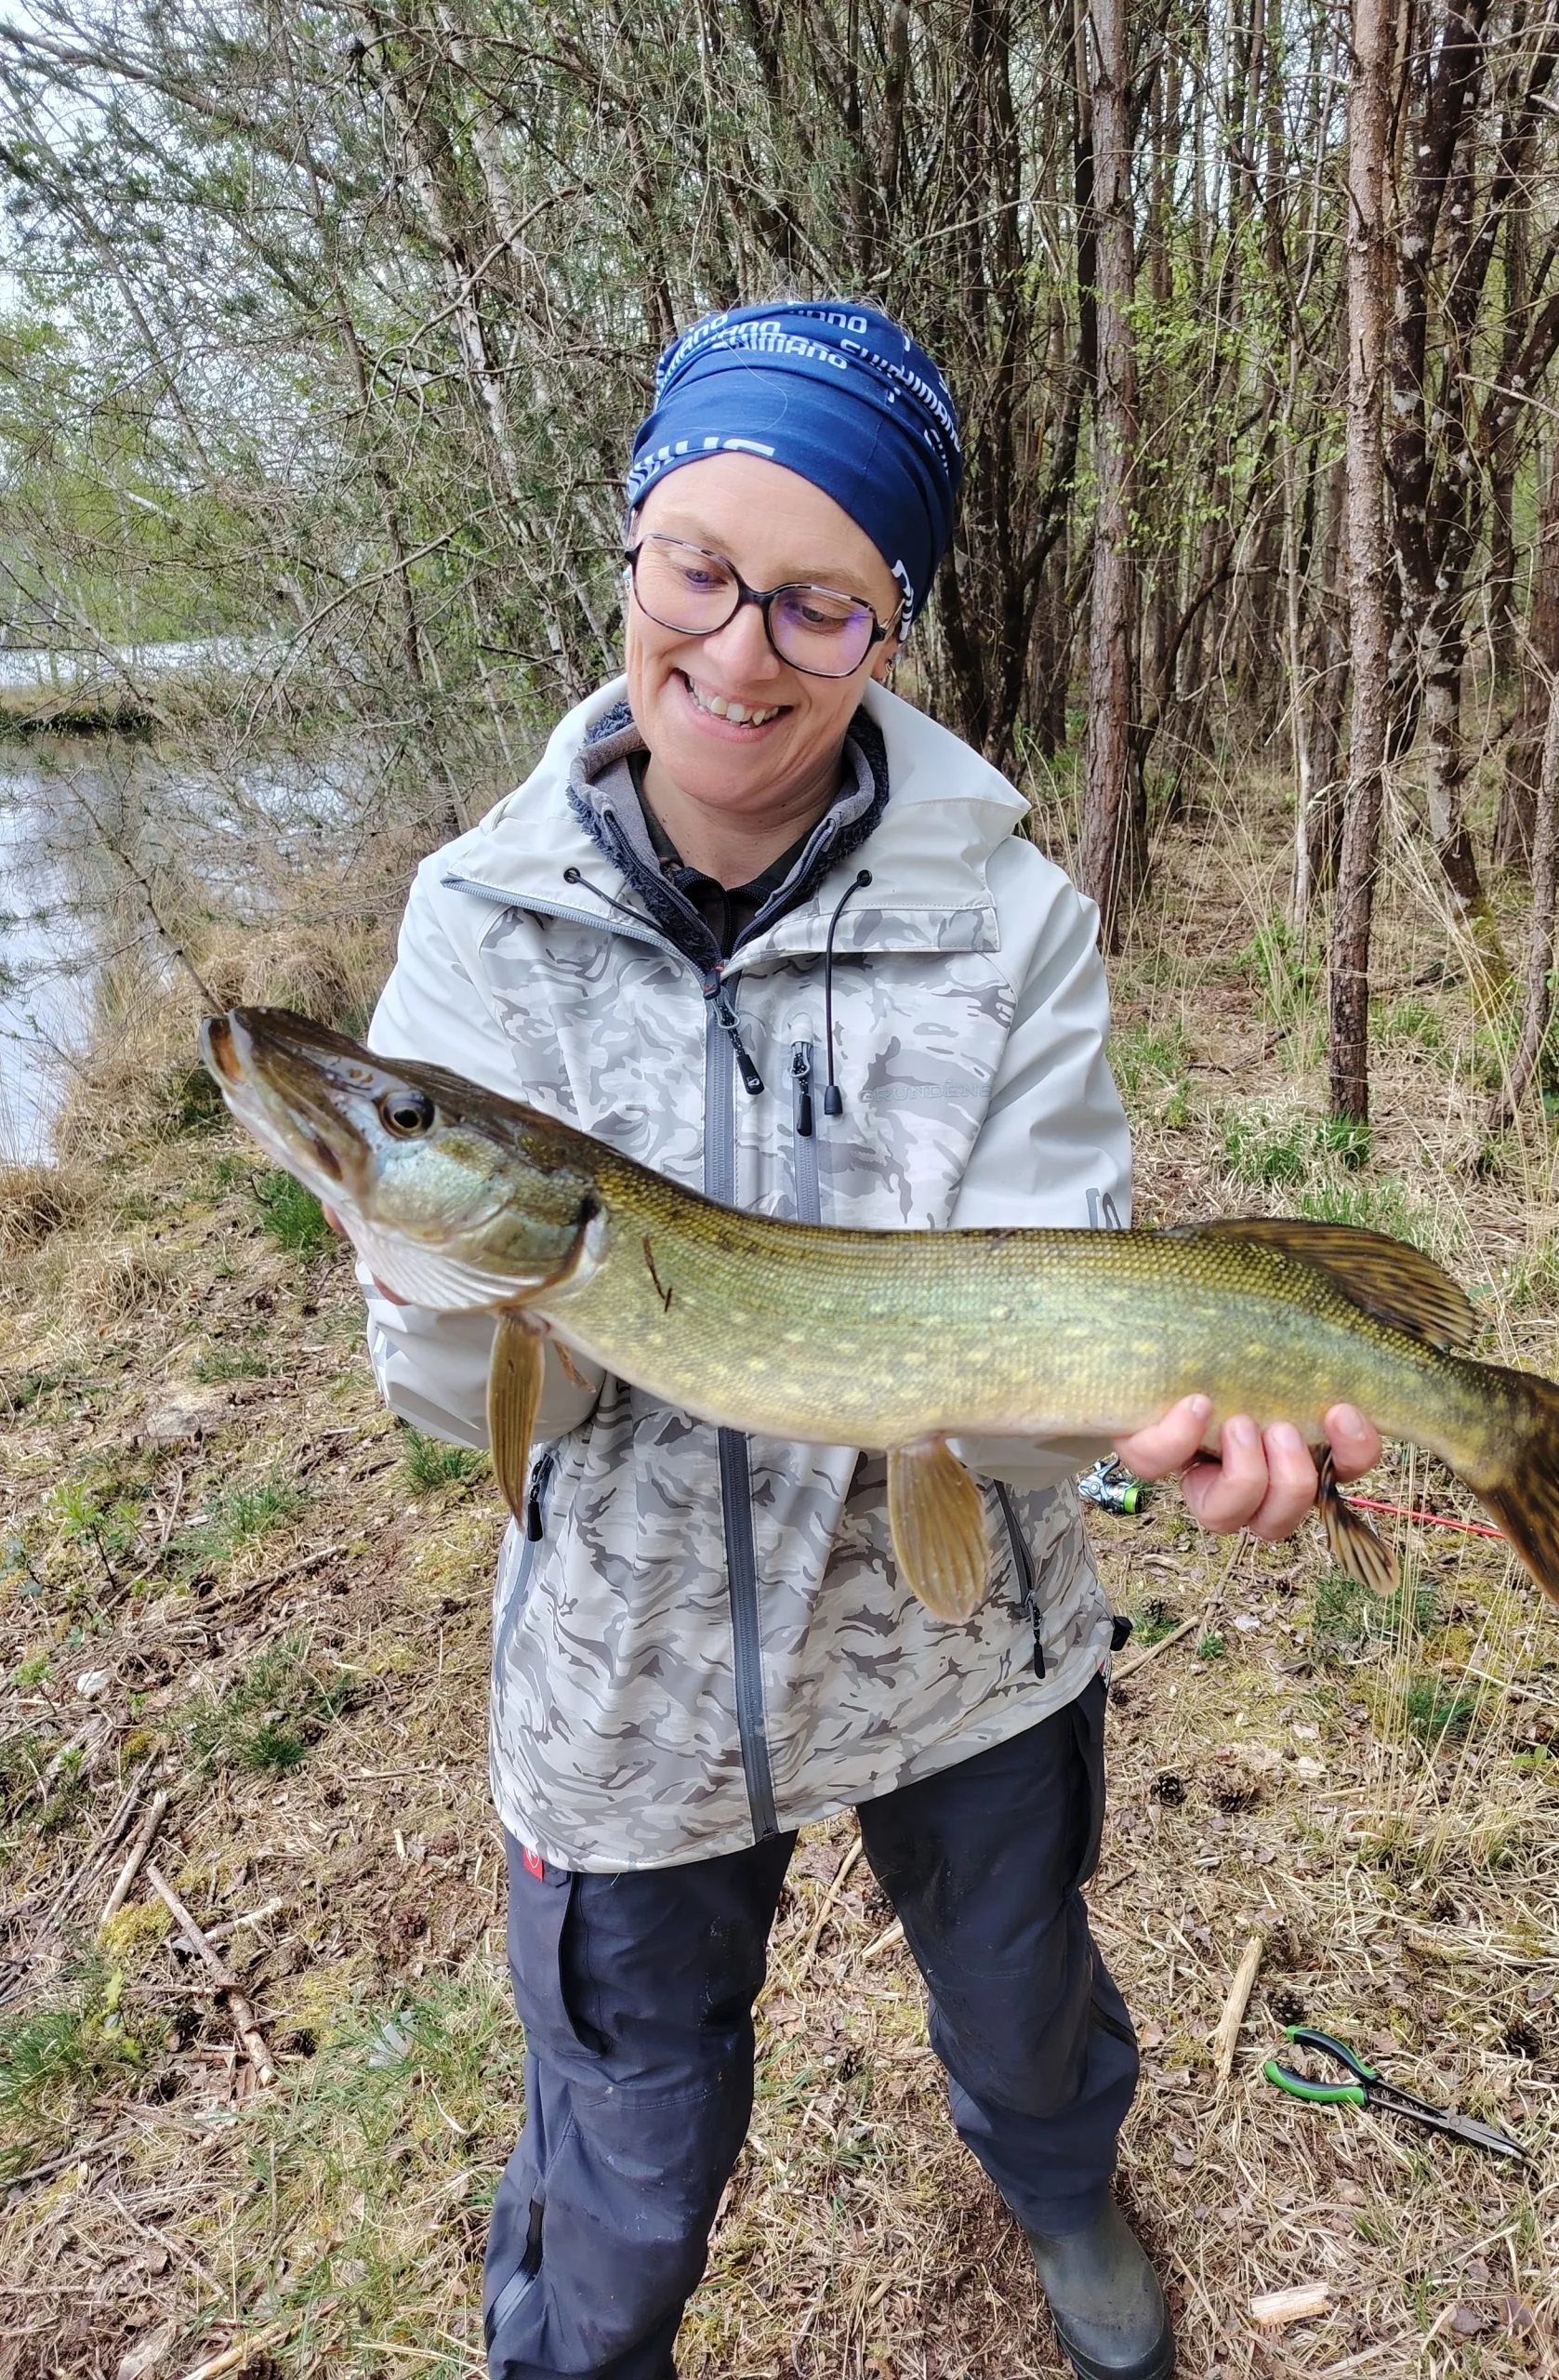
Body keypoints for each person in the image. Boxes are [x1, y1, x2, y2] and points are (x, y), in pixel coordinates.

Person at [358, 300, 1381, 2380]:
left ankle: (1067, 2192)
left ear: (887, 629)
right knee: (628, 2151)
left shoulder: (1009, 921)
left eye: (819, 604)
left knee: (1023, 2006)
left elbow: (1044, 1349)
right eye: (699, 570)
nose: (740, 651)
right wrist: (429, 1274)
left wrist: (1141, 1433)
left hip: (963, 1653)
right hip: (631, 1688)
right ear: (635, 549)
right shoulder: (477, 920)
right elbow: (461, 1408)